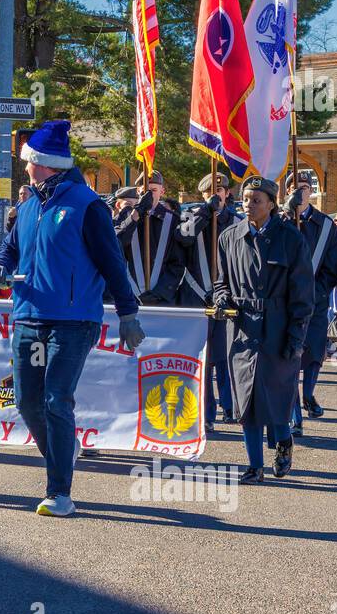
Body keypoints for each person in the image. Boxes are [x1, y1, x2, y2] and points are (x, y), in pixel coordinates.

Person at [0, 120, 145, 517]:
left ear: (45, 164)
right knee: (26, 401)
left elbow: (113, 263)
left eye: (29, 162)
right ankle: (63, 449)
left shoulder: (87, 205)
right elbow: (9, 249)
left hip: (74, 321)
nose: (24, 168)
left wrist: (128, 313)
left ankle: (59, 491)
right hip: (28, 314)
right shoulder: (27, 206)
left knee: (57, 399)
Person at [211, 176, 312, 482]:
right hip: (242, 329)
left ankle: (283, 443)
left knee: (276, 396)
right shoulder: (229, 237)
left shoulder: (290, 239)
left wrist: (296, 338)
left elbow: (303, 295)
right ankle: (254, 465)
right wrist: (221, 298)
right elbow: (221, 282)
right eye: (245, 199)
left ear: (271, 203)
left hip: (278, 327)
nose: (249, 204)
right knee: (246, 400)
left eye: (256, 200)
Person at [177, 171, 238, 431]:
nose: (216, 194)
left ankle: (231, 408)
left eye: (220, 190)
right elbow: (185, 236)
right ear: (202, 194)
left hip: (229, 298)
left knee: (226, 357)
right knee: (203, 360)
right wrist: (205, 210)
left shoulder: (236, 220)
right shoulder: (192, 216)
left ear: (226, 192)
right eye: (209, 191)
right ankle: (206, 415)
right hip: (198, 296)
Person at [283, 172, 337, 435]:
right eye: (295, 187)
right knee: (289, 358)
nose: (300, 192)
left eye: (305, 187)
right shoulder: (278, 221)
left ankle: (308, 394)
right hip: (284, 302)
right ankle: (295, 415)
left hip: (316, 301)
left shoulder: (327, 225)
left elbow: (332, 267)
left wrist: (316, 292)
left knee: (314, 353)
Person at [115, 170, 184, 305]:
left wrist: (160, 293)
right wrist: (137, 214)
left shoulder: (172, 220)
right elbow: (116, 244)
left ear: (162, 192)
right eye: (144, 191)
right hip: (128, 294)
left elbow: (177, 263)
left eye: (153, 190)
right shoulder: (126, 216)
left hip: (161, 298)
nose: (148, 194)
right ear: (137, 193)